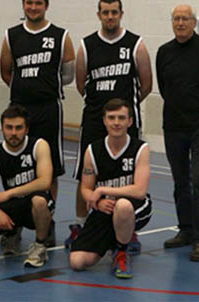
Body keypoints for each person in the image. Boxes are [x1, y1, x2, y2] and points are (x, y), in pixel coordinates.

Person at [67, 0, 152, 252]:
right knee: (85, 177)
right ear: (99, 15)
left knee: (124, 176)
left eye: (114, 12)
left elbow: (146, 84)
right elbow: (82, 84)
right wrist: (101, 113)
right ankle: (81, 224)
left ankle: (128, 229)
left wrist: (123, 116)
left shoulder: (135, 44)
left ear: (121, 13)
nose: (110, 17)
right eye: (105, 12)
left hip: (126, 123)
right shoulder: (87, 45)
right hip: (94, 122)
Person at [0, 0, 75, 247]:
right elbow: (6, 72)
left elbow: (67, 75)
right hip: (20, 108)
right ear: (23, 4)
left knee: (49, 169)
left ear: (46, 5)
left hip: (48, 109)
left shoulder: (60, 35)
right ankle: (16, 223)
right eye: (29, 3)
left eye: (38, 3)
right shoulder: (12, 36)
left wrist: (43, 86)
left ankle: (47, 222)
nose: (33, 7)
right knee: (17, 167)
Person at [156, 4, 199, 262]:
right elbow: (164, 87)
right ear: (172, 23)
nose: (181, 23)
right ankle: (185, 231)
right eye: (176, 19)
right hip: (173, 126)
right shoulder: (164, 52)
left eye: (185, 18)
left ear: (194, 22)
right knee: (180, 182)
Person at [69, 99, 152, 279]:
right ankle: (115, 239)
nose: (116, 122)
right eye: (111, 118)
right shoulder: (93, 150)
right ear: (104, 121)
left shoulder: (140, 148)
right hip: (105, 208)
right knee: (78, 261)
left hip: (135, 207)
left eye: (121, 118)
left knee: (122, 206)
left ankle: (121, 252)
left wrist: (103, 191)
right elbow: (85, 189)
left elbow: (139, 191)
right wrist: (96, 201)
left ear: (130, 121)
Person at [0, 104, 54, 267]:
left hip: (36, 202)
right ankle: (12, 231)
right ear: (2, 128)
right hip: (14, 204)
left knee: (39, 201)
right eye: (9, 128)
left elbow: (45, 181)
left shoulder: (39, 146)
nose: (13, 133)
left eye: (18, 128)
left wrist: (9, 193)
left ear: (26, 129)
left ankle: (40, 246)